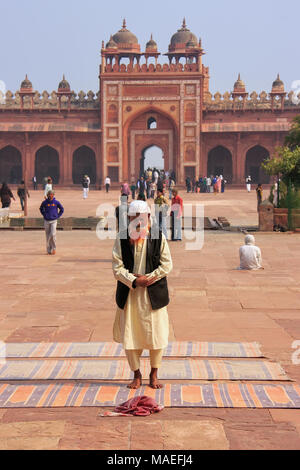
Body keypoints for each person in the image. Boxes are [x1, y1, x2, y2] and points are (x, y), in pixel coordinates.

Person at [112, 199, 173, 389]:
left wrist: (150, 278)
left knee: (157, 336)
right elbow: (117, 267)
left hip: (153, 295)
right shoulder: (122, 238)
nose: (138, 221)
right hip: (131, 294)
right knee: (131, 336)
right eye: (133, 217)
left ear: (148, 218)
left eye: (141, 217)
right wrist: (134, 280)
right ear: (129, 218)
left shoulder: (158, 237)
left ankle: (154, 373)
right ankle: (136, 374)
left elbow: (167, 264)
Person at [39, 190, 64, 255]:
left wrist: (58, 215)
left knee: (53, 234)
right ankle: (49, 249)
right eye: (49, 194)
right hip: (46, 220)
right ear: (48, 195)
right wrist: (44, 214)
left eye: (52, 194)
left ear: (53, 195)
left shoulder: (56, 202)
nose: (50, 195)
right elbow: (41, 208)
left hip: (54, 220)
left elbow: (62, 209)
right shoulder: (45, 202)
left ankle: (54, 248)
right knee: (47, 235)